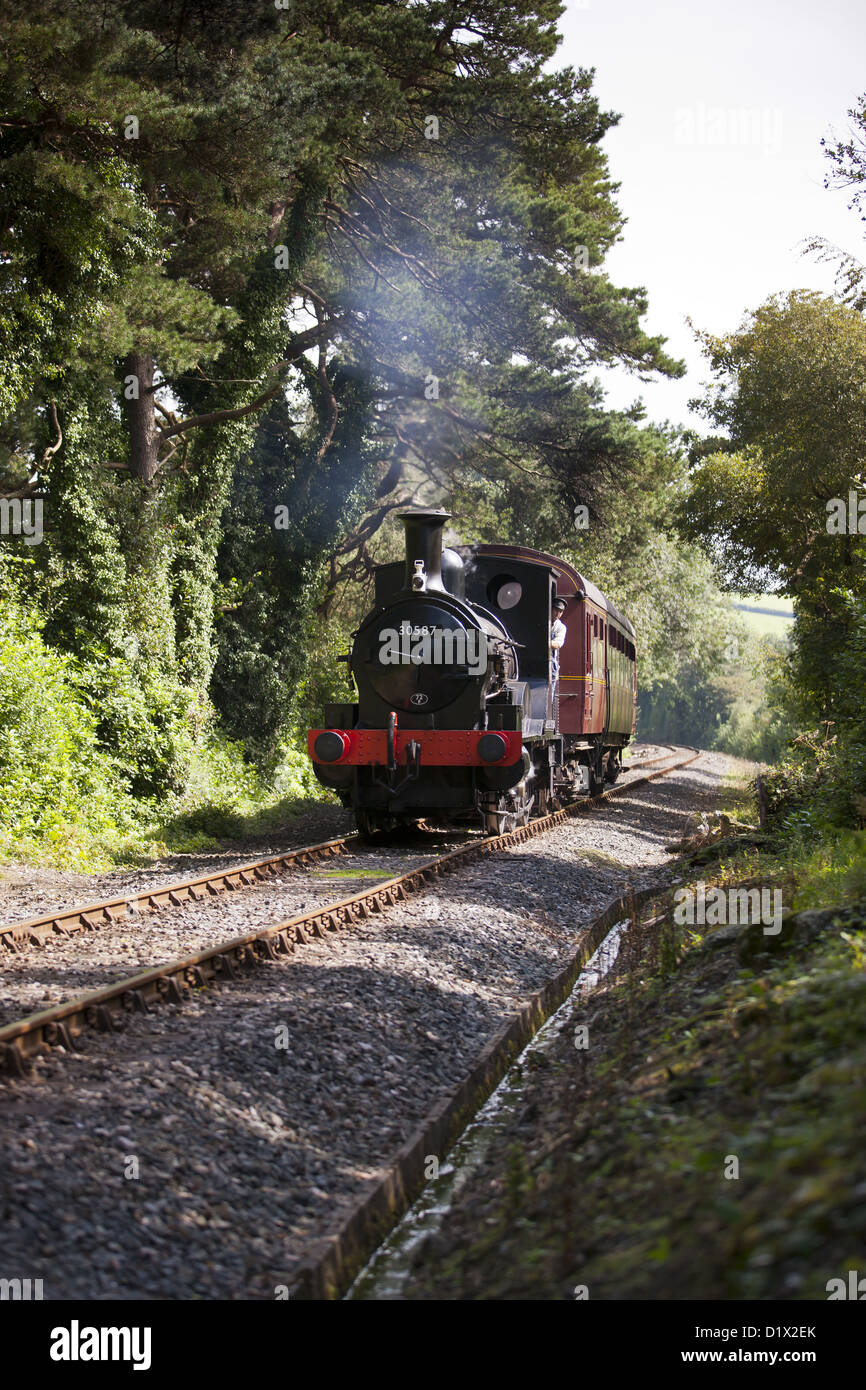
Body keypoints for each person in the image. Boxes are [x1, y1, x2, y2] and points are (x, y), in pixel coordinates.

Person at [549, 596, 567, 718]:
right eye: (555, 609)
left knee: (549, 695)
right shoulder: (543, 622)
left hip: (550, 664)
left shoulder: (560, 627)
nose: (557, 613)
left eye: (560, 611)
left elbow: (557, 644)